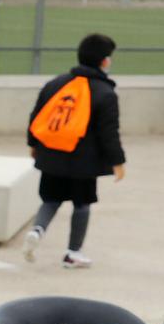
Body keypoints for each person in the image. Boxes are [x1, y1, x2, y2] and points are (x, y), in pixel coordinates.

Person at [23, 32, 126, 270]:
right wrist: (117, 161)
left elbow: (36, 116)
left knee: (50, 200)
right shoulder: (105, 93)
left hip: (51, 155)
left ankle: (37, 230)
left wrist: (33, 144)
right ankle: (73, 253)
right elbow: (109, 132)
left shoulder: (56, 84)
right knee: (82, 204)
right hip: (83, 162)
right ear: (105, 61)